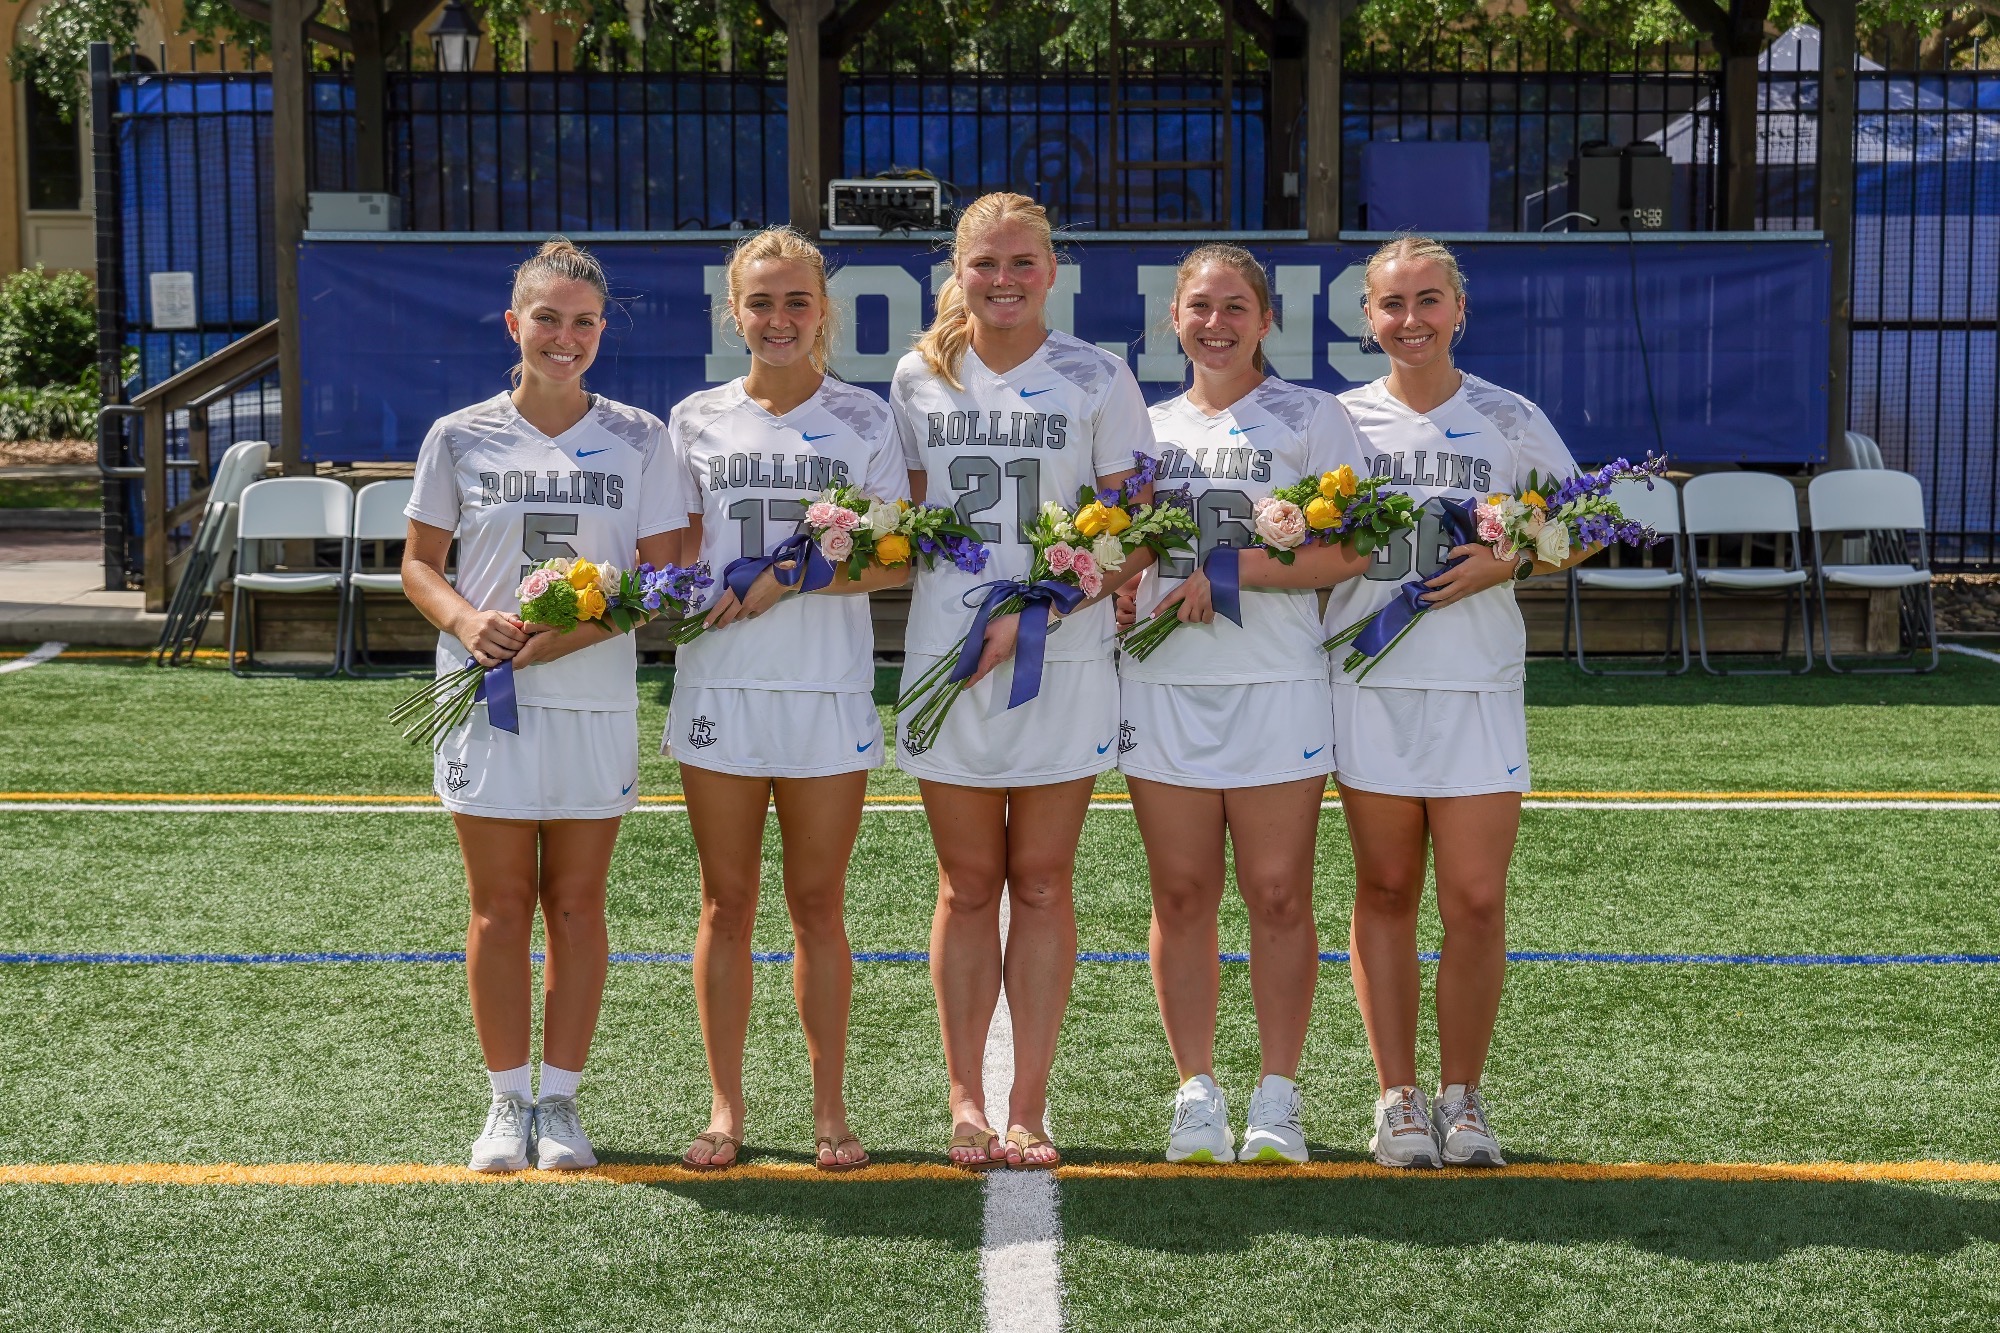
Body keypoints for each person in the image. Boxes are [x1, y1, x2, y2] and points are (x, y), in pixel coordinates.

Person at [402, 237, 689, 1172]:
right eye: (548, 319)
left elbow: (661, 580)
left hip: (592, 698)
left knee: (575, 903)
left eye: (583, 322)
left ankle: (559, 1101)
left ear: (601, 332)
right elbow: (418, 563)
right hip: (484, 698)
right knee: (498, 906)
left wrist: (553, 641)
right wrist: (464, 618)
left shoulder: (643, 436)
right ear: (513, 324)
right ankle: (502, 1101)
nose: (563, 337)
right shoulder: (459, 433)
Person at [889, 192, 1155, 1170]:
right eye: (983, 264)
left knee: (1041, 883)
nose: (1002, 281)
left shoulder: (1097, 375)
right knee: (965, 885)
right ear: (954, 271)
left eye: (1021, 263)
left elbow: (1133, 530)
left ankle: (1028, 1103)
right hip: (948, 659)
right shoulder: (917, 375)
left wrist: (1040, 604)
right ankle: (965, 1099)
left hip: (1063, 653)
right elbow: (901, 523)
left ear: (1053, 269)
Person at [1325, 235, 1597, 1168]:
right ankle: (1397, 1098)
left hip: (1478, 682)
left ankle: (1463, 1096)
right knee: (1388, 889)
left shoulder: (1506, 416)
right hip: (1369, 683)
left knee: (1477, 900)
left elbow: (1587, 521)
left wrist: (1509, 560)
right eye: (1393, 304)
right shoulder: (1337, 422)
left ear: (1459, 312)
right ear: (1366, 317)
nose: (1411, 321)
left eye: (1429, 301)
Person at [1120, 245, 1372, 1164]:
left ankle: (1278, 1092)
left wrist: (1227, 569)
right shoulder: (1140, 428)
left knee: (1277, 894)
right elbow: (1116, 553)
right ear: (1174, 319)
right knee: (1181, 894)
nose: (1216, 323)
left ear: (1268, 319)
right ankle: (1196, 1091)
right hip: (1163, 685)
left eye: (1235, 307)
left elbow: (1351, 551)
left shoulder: (1315, 417)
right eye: (1198, 307)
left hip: (1276, 682)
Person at [666, 226, 911, 1173]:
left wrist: (793, 579)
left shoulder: (865, 420)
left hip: (826, 689)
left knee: (818, 903)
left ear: (824, 312)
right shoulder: (693, 419)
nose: (778, 318)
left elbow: (893, 557)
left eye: (796, 301)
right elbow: (672, 552)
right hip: (720, 686)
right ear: (735, 311)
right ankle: (725, 1107)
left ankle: (829, 1107)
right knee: (726, 903)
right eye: (760, 302)